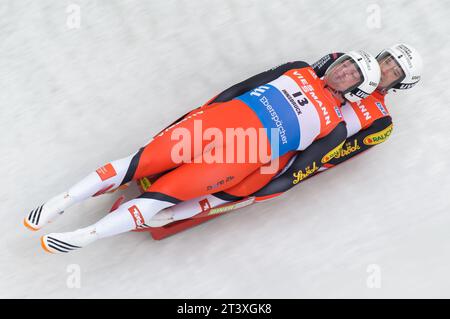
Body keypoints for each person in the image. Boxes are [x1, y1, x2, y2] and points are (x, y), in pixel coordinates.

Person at [24, 50, 381, 254]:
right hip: (213, 124)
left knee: (163, 196)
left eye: (352, 74)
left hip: (239, 157)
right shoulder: (298, 70)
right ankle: (62, 200)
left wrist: (258, 190)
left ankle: (86, 236)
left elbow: (298, 168)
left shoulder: (334, 126)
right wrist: (199, 112)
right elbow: (241, 87)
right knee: (139, 162)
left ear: (358, 90)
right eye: (345, 63)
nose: (344, 70)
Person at [163, 43, 422, 221]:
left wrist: (293, 174)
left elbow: (336, 155)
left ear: (400, 83)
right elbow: (297, 79)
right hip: (267, 115)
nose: (385, 68)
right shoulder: (343, 62)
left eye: (394, 71)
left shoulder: (382, 122)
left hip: (292, 146)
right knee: (214, 121)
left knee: (256, 173)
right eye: (387, 60)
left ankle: (178, 211)